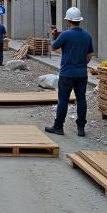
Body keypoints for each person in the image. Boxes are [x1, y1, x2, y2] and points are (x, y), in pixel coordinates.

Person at [45, 7, 93, 138]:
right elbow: (89, 55)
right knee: (81, 99)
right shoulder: (87, 36)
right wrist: (82, 65)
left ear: (68, 20)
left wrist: (62, 49)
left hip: (67, 73)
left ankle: (58, 127)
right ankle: (81, 128)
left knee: (63, 100)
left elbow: (53, 47)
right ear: (79, 20)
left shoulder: (65, 34)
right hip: (82, 73)